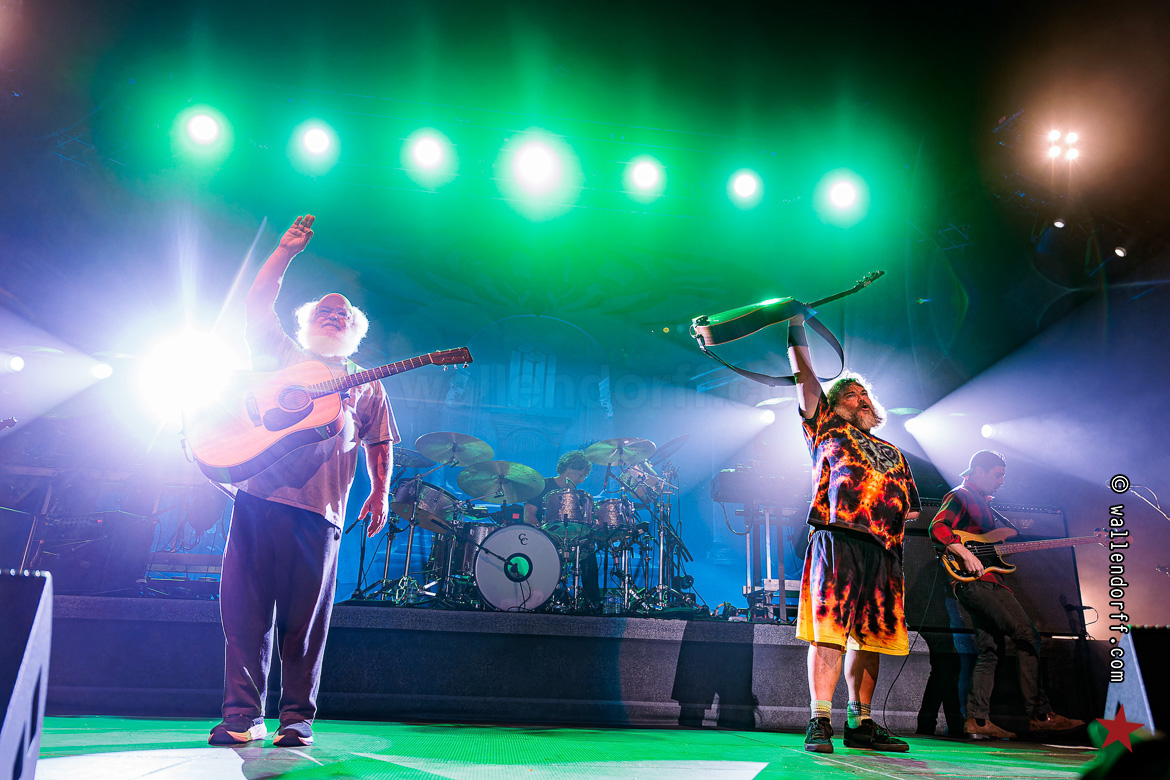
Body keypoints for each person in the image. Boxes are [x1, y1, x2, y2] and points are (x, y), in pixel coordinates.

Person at [209, 215, 399, 747]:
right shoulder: (281, 357)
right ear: (307, 322)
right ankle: (241, 717)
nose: (333, 317)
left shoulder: (367, 383)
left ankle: (295, 718)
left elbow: (381, 442)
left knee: (305, 623)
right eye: (324, 311)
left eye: (343, 314)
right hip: (257, 498)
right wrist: (284, 252)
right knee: (244, 615)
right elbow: (255, 303)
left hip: (321, 511)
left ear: (355, 329)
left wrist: (381, 492)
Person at [787, 305, 921, 754]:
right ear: (834, 403)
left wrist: (891, 516)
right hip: (837, 538)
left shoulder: (894, 452)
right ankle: (819, 720)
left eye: (865, 395)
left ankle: (860, 723)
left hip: (882, 551)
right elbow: (806, 380)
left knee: (870, 637)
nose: (861, 399)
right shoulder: (825, 427)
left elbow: (911, 509)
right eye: (850, 394)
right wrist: (795, 327)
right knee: (829, 631)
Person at [929, 449, 1084, 739]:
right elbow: (937, 527)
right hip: (979, 583)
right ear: (978, 471)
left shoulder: (984, 504)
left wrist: (1001, 543)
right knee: (1027, 635)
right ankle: (1040, 714)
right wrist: (964, 552)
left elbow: (990, 544)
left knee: (990, 649)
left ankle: (978, 721)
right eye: (997, 475)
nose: (1001, 481)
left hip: (982, 582)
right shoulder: (961, 495)